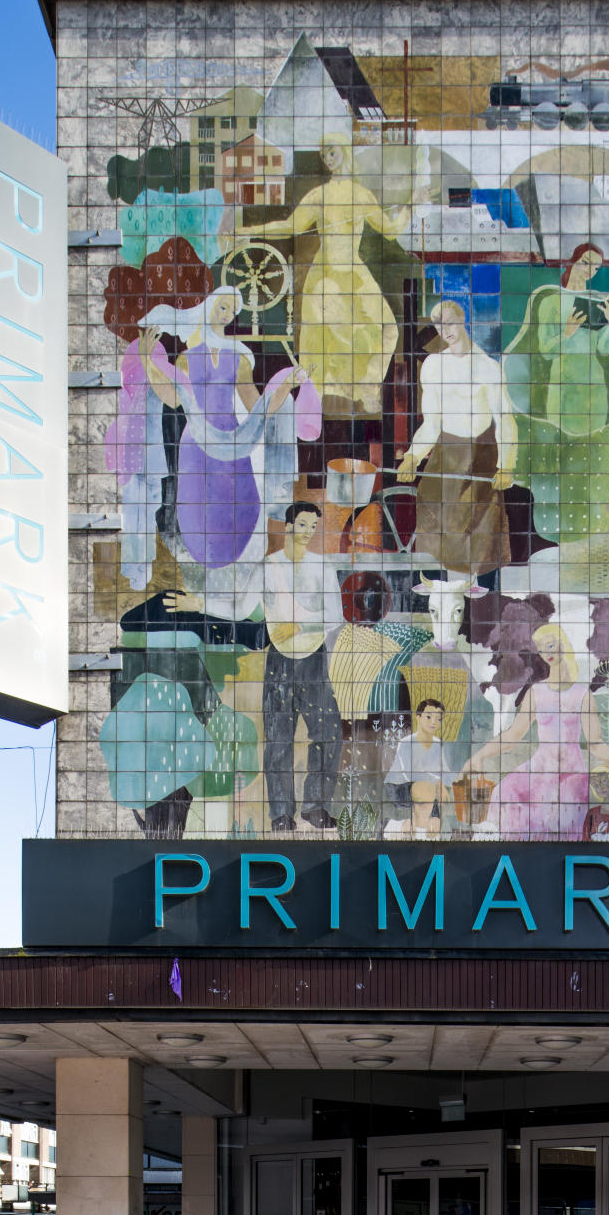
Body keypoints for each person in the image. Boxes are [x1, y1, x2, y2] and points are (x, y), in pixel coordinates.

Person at [136, 288, 308, 618]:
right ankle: (201, 587)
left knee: (239, 506)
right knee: (198, 511)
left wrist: (286, 385)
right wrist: (147, 360)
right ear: (208, 307)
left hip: (232, 445)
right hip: (196, 448)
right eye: (223, 306)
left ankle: (225, 593)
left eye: (232, 310)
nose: (227, 313)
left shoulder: (238, 357)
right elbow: (174, 399)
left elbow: (256, 406)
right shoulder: (188, 358)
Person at [256, 135, 410, 415]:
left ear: (345, 152)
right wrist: (247, 232)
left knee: (387, 328)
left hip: (353, 273)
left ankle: (367, 386)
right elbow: (290, 226)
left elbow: (391, 230)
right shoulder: (318, 196)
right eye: (324, 154)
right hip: (324, 276)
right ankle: (317, 400)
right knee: (324, 341)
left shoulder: (361, 194)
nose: (328, 158)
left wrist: (410, 207)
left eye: (332, 152)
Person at [503, 243, 609, 543]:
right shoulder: (551, 300)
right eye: (585, 262)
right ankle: (550, 531)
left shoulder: (597, 300)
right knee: (559, 452)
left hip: (593, 388)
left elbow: (605, 350)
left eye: (596, 266)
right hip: (563, 387)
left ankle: (588, 530)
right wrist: (567, 331)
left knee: (588, 454)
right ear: (573, 261)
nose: (590, 270)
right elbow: (544, 349)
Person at [459, 623, 609, 840]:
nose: (547, 653)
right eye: (542, 649)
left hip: (570, 773)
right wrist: (479, 756)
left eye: (551, 645)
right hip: (540, 767)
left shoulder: (582, 695)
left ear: (564, 645)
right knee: (504, 792)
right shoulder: (537, 692)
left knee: (560, 814)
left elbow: (595, 741)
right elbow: (514, 734)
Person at [397, 300, 513, 577]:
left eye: (449, 322)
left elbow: (506, 420)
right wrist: (413, 456)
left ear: (462, 319)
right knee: (430, 508)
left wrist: (507, 465)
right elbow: (432, 423)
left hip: (480, 457)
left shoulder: (487, 367)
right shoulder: (433, 366)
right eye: (438, 324)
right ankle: (433, 586)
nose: (444, 329)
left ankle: (481, 593)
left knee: (478, 527)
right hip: (446, 454)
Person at [261, 502, 345, 832]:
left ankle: (315, 806)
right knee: (277, 738)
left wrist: (299, 626)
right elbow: (260, 611)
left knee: (328, 732)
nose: (309, 532)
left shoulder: (321, 566)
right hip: (279, 659)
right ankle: (281, 814)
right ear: (288, 525)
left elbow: (333, 616)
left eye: (314, 526)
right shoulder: (269, 566)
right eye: (304, 524)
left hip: (313, 657)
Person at [385, 698, 459, 838]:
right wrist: (437, 782)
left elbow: (445, 772)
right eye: (429, 716)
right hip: (400, 788)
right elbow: (409, 773)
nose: (434, 722)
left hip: (428, 789)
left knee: (431, 792)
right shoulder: (406, 743)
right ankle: (407, 827)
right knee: (425, 787)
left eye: (438, 719)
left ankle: (428, 828)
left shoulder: (438, 744)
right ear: (418, 717)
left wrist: (462, 778)